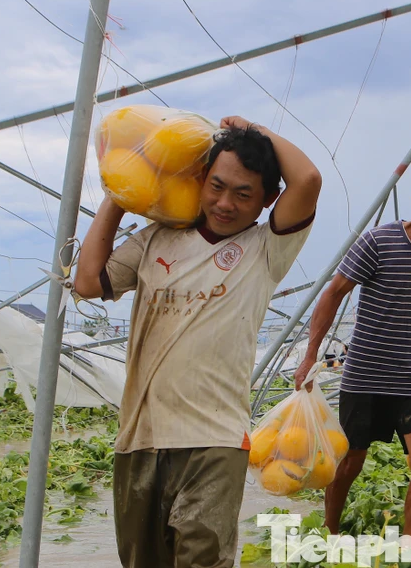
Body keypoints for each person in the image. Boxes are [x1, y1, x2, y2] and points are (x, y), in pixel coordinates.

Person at [74, 116, 321, 568]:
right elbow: (88, 282)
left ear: (268, 199)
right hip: (140, 438)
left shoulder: (265, 250)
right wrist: (119, 195)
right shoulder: (156, 239)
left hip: (215, 440)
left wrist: (255, 130)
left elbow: (307, 179)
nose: (225, 204)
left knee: (202, 560)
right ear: (201, 180)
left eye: (243, 194)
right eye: (217, 186)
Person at [293, 167, 411, 539]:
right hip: (366, 376)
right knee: (349, 463)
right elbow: (334, 292)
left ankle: (410, 545)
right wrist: (311, 354)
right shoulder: (378, 242)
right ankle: (329, 531)